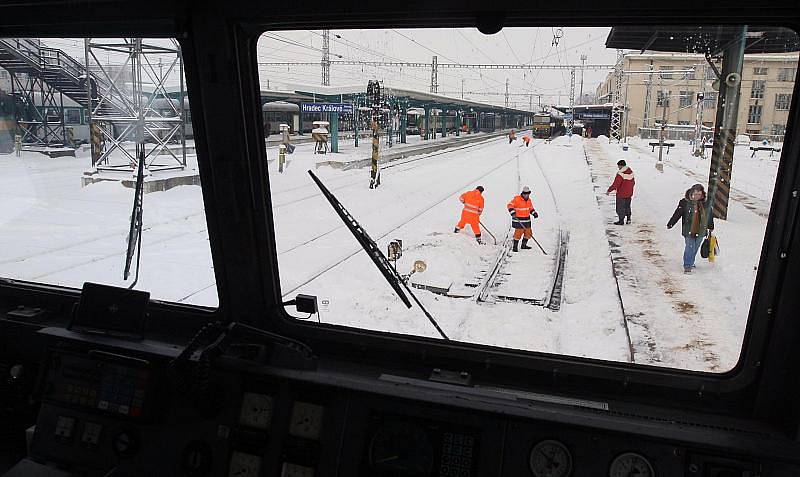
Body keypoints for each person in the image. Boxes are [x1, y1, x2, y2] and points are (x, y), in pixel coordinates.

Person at [667, 184, 715, 273]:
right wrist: (671, 223)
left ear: (702, 194)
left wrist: (711, 226)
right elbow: (678, 213)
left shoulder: (705, 203)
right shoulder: (684, 202)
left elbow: (709, 216)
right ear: (691, 193)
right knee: (690, 247)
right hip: (688, 229)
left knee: (695, 247)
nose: (697, 196)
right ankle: (688, 265)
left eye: (699, 194)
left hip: (701, 230)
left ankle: (691, 261)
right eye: (695, 194)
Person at [507, 186, 538, 252]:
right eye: (525, 194)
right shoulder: (517, 199)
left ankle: (524, 245)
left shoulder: (529, 200)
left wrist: (534, 213)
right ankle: (515, 247)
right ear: (523, 193)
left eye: (528, 194)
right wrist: (513, 212)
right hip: (518, 221)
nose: (526, 195)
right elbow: (509, 205)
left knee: (528, 233)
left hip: (527, 221)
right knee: (518, 234)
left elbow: (531, 208)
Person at [605, 159, 635, 225]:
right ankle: (628, 219)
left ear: (621, 166)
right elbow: (633, 182)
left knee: (620, 207)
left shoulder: (620, 174)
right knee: (627, 206)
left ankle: (621, 221)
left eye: (618, 166)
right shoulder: (630, 172)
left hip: (621, 194)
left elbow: (616, 184)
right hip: (629, 193)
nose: (618, 168)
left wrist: (609, 190)